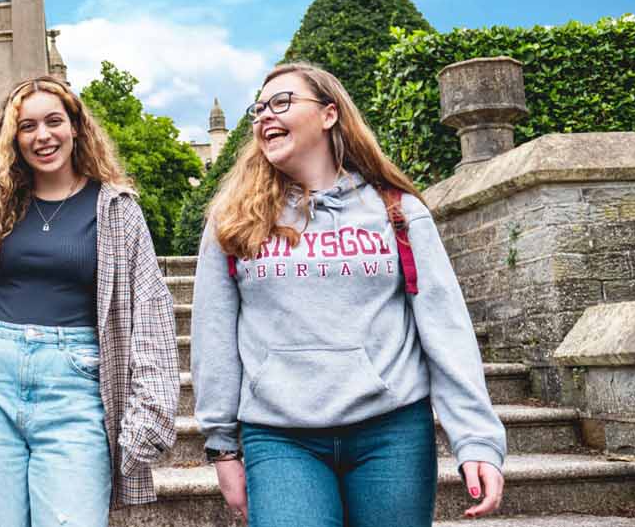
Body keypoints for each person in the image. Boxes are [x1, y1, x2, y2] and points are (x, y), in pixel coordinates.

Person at [192, 62, 507, 527]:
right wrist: (221, 445)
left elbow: (445, 328)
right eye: (258, 109)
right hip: (280, 438)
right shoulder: (233, 220)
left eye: (281, 103)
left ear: (328, 114)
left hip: (391, 431)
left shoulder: (397, 211)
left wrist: (476, 437)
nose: (264, 117)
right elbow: (213, 336)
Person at [0, 75, 180, 527]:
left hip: (75, 388)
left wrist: (150, 410)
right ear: (13, 138)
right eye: (27, 126)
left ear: (76, 127)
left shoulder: (117, 209)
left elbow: (150, 312)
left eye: (54, 121)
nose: (42, 136)